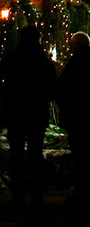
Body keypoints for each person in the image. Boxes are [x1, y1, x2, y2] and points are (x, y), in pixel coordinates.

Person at [0, 25, 57, 210]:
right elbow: (51, 87)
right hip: (36, 113)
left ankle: (18, 194)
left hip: (16, 112)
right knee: (35, 153)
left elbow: (5, 85)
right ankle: (37, 194)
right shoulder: (43, 61)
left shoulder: (12, 58)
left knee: (16, 153)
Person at [57, 32, 90, 206]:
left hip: (77, 116)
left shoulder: (74, 65)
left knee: (80, 154)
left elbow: (63, 89)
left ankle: (83, 190)